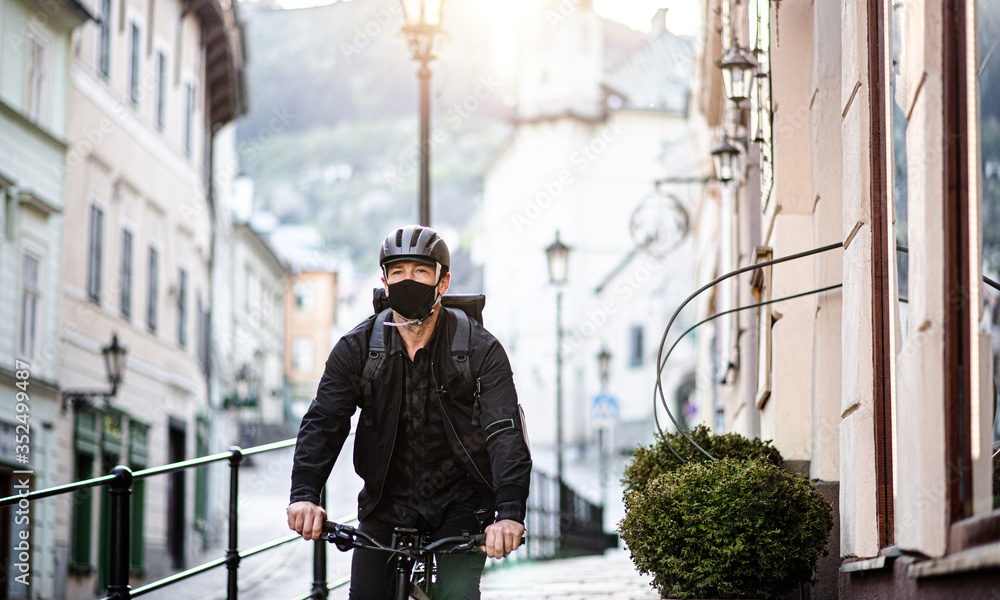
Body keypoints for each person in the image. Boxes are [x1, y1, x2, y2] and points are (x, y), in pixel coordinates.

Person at [287, 224, 532, 600]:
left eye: (420, 271)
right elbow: (325, 421)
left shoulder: (481, 350)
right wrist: (305, 493)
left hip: (462, 502)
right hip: (387, 503)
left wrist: (509, 512)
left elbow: (504, 431)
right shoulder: (358, 348)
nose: (408, 280)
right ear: (384, 281)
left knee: (457, 594)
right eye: (398, 271)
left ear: (442, 281)